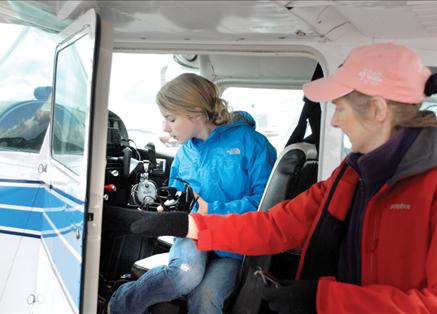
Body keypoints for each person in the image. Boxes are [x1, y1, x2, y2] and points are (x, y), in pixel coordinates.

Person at [128, 43, 437, 313]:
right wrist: (186, 224)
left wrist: (325, 300)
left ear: (377, 110)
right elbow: (274, 225)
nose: (335, 121)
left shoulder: (429, 185)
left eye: (340, 109)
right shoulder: (351, 175)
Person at [108, 73, 277, 314]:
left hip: (233, 242)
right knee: (184, 275)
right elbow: (177, 195)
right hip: (192, 233)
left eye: (171, 119)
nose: (165, 127)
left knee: (207, 298)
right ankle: (119, 305)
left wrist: (213, 210)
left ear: (196, 112)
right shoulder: (184, 153)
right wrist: (168, 207)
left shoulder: (252, 143)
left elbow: (265, 204)